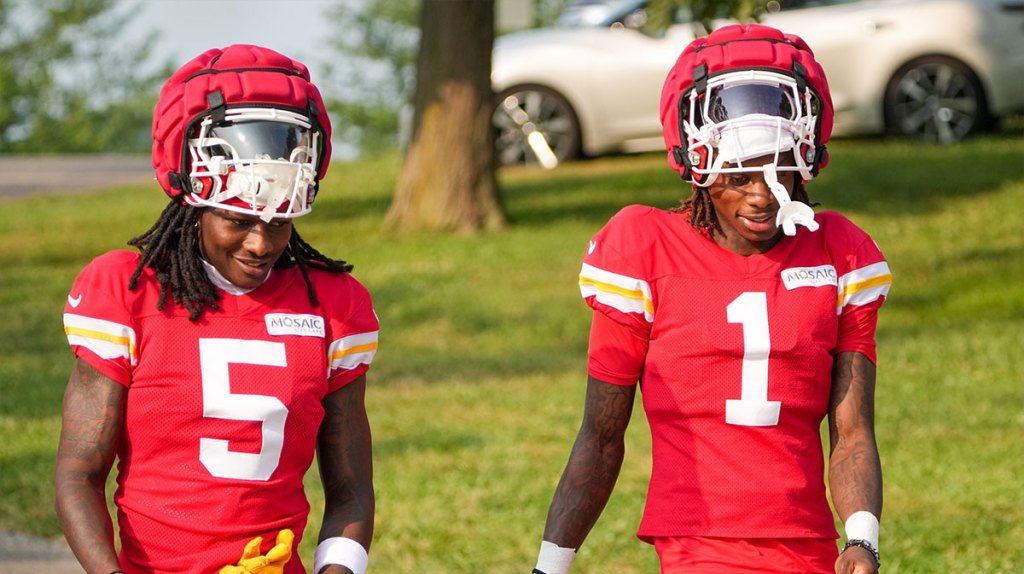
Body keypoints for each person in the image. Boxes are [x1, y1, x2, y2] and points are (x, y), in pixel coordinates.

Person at [531, 24, 890, 574]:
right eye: (740, 174)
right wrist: (549, 565)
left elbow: (852, 432)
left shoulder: (839, 252)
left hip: (810, 545)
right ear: (699, 166)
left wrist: (861, 540)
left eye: (779, 171)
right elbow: (601, 437)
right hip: (698, 545)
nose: (762, 195)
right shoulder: (644, 249)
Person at [55, 44, 378, 574]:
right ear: (195, 201)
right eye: (239, 220)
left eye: (279, 222)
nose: (260, 243)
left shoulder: (332, 305)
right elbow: (78, 474)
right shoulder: (127, 291)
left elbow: (351, 493)